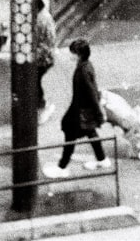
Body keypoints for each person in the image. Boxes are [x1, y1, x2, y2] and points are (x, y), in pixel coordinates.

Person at [43, 39, 110, 178]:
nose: (70, 55)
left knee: (70, 134)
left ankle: (62, 167)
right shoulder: (86, 66)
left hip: (80, 111)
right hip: (83, 110)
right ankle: (102, 159)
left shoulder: (83, 71)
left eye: (72, 53)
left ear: (79, 54)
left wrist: (98, 114)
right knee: (90, 132)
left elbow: (91, 92)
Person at [35, 0, 57, 125]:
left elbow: (47, 42)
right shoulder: (43, 16)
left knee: (35, 81)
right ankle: (40, 104)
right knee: (35, 81)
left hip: (43, 58)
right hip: (44, 57)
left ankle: (41, 105)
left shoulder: (42, 19)